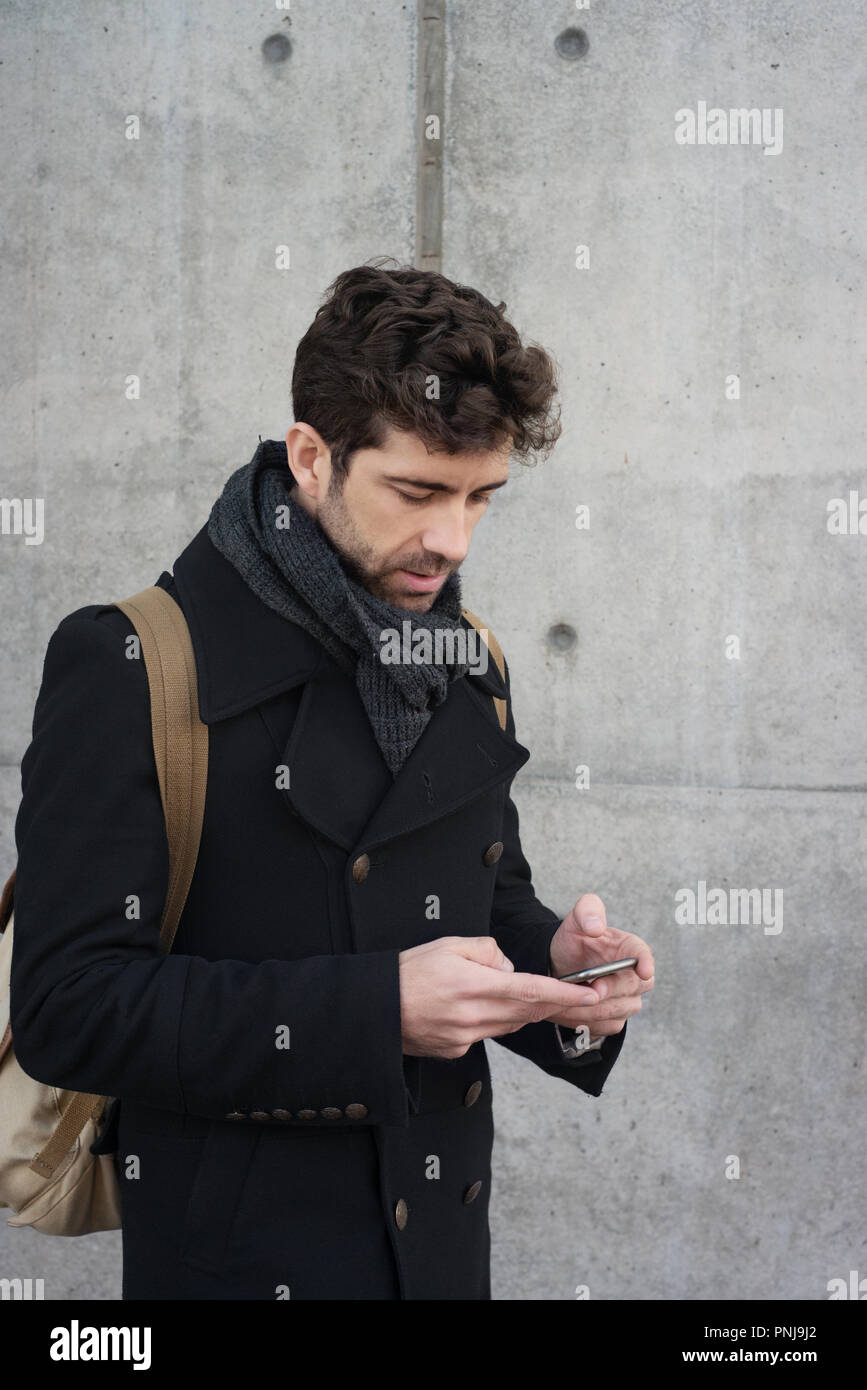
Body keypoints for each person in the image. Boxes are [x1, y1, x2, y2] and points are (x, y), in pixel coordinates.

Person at [10, 260, 655, 1300]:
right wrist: (377, 1009)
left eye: (482, 498)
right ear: (311, 456)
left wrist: (562, 973)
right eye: (417, 491)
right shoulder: (136, 661)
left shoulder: (464, 654)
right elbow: (67, 1008)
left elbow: (478, 905)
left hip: (440, 1257)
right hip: (240, 1265)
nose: (451, 539)